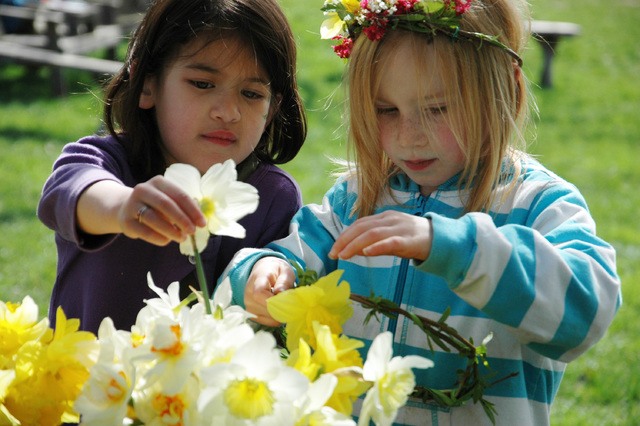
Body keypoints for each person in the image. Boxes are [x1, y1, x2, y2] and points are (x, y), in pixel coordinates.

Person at [219, 0, 621, 424]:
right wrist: (261, 273)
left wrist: (456, 248)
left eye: (436, 109)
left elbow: (586, 314)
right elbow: (288, 257)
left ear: (507, 87)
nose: (409, 136)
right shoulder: (354, 201)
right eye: (386, 110)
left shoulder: (536, 205)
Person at [37, 0, 306, 334]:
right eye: (203, 84)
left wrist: (269, 279)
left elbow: (275, 299)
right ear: (148, 84)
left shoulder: (273, 196)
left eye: (251, 93)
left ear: (274, 107)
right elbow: (69, 191)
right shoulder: (107, 161)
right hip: (89, 382)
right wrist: (123, 207)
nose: (228, 111)